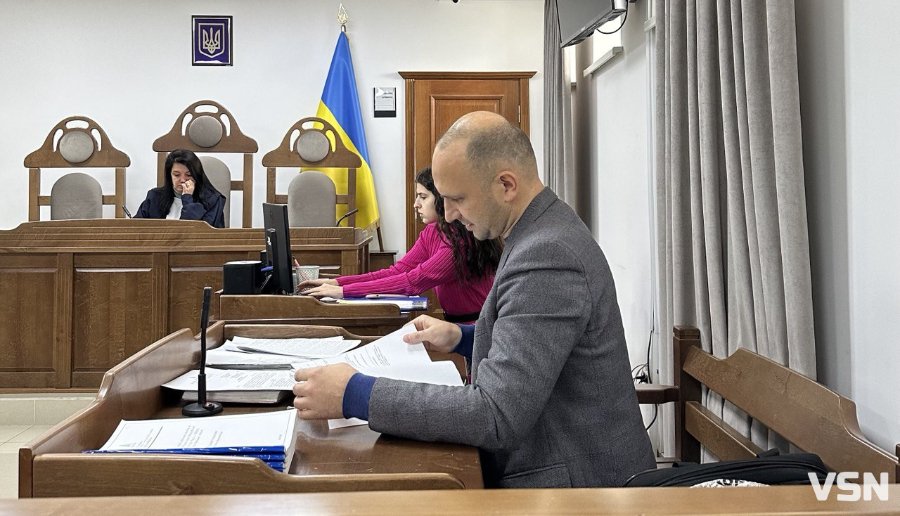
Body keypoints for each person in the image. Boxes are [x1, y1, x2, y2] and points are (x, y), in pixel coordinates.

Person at [292, 111, 655, 488]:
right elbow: (537, 342)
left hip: (580, 487)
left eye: (457, 199)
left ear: (506, 185)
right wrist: (463, 337)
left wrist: (355, 393)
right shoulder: (542, 229)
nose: (449, 215)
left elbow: (496, 415)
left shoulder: (547, 254)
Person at [298, 167, 501, 323]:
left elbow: (412, 282)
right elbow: (398, 271)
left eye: (423, 197)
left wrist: (343, 292)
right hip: (459, 324)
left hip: (480, 328)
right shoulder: (433, 231)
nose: (416, 204)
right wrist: (337, 283)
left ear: (442, 199)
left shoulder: (459, 244)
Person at [134, 149, 226, 228]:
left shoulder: (212, 200)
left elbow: (193, 231)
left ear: (196, 175)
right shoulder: (155, 196)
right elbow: (136, 227)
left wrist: (187, 197)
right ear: (169, 175)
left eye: (189, 175)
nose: (182, 180)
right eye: (177, 175)